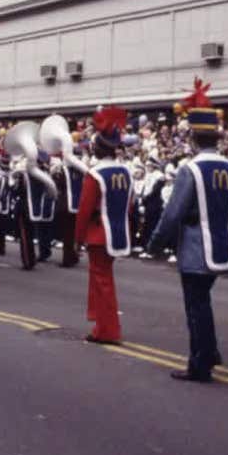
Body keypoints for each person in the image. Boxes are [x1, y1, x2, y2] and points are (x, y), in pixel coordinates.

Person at [147, 78, 228, 382]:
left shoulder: (191, 169)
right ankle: (209, 351)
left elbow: (173, 212)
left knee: (196, 306)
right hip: (221, 245)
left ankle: (201, 362)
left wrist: (155, 243)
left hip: (196, 247)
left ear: (194, 139)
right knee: (203, 301)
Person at [74, 106, 133, 344]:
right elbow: (129, 205)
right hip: (117, 231)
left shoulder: (95, 174)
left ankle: (108, 330)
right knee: (103, 281)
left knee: (102, 282)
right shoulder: (125, 171)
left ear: (99, 148)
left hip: (98, 234)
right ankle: (101, 323)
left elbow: (84, 210)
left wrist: (78, 239)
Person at [55, 148, 85, 268]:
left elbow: (58, 186)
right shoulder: (83, 171)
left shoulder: (64, 170)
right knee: (74, 233)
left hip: (66, 205)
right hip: (78, 205)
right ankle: (74, 256)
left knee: (67, 234)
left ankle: (67, 259)